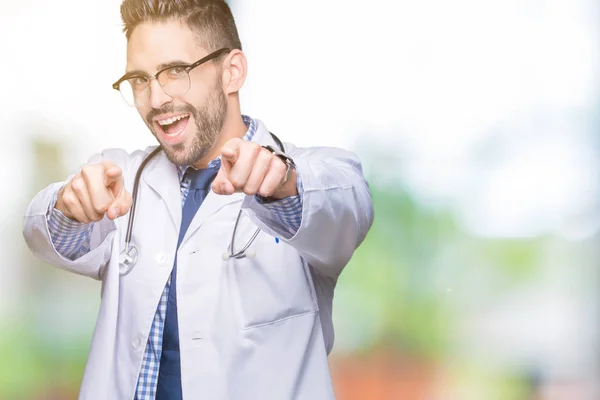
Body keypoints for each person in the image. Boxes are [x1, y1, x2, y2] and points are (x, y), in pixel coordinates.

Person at [22, 0, 374, 398]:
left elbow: (346, 207)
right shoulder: (123, 179)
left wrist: (284, 185)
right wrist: (69, 208)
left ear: (232, 72)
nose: (155, 99)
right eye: (139, 79)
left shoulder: (307, 175)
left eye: (176, 71)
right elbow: (44, 235)